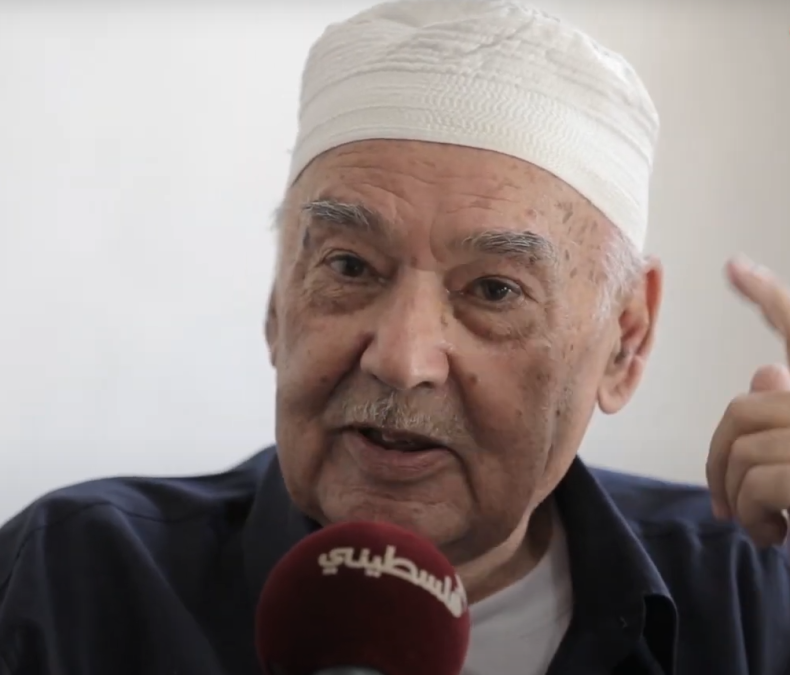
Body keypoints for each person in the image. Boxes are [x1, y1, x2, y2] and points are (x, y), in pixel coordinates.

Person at [1, 0, 790, 673]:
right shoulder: (73, 585)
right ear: (278, 299)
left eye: (493, 289)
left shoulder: (754, 594)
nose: (402, 359)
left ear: (624, 342)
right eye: (350, 266)